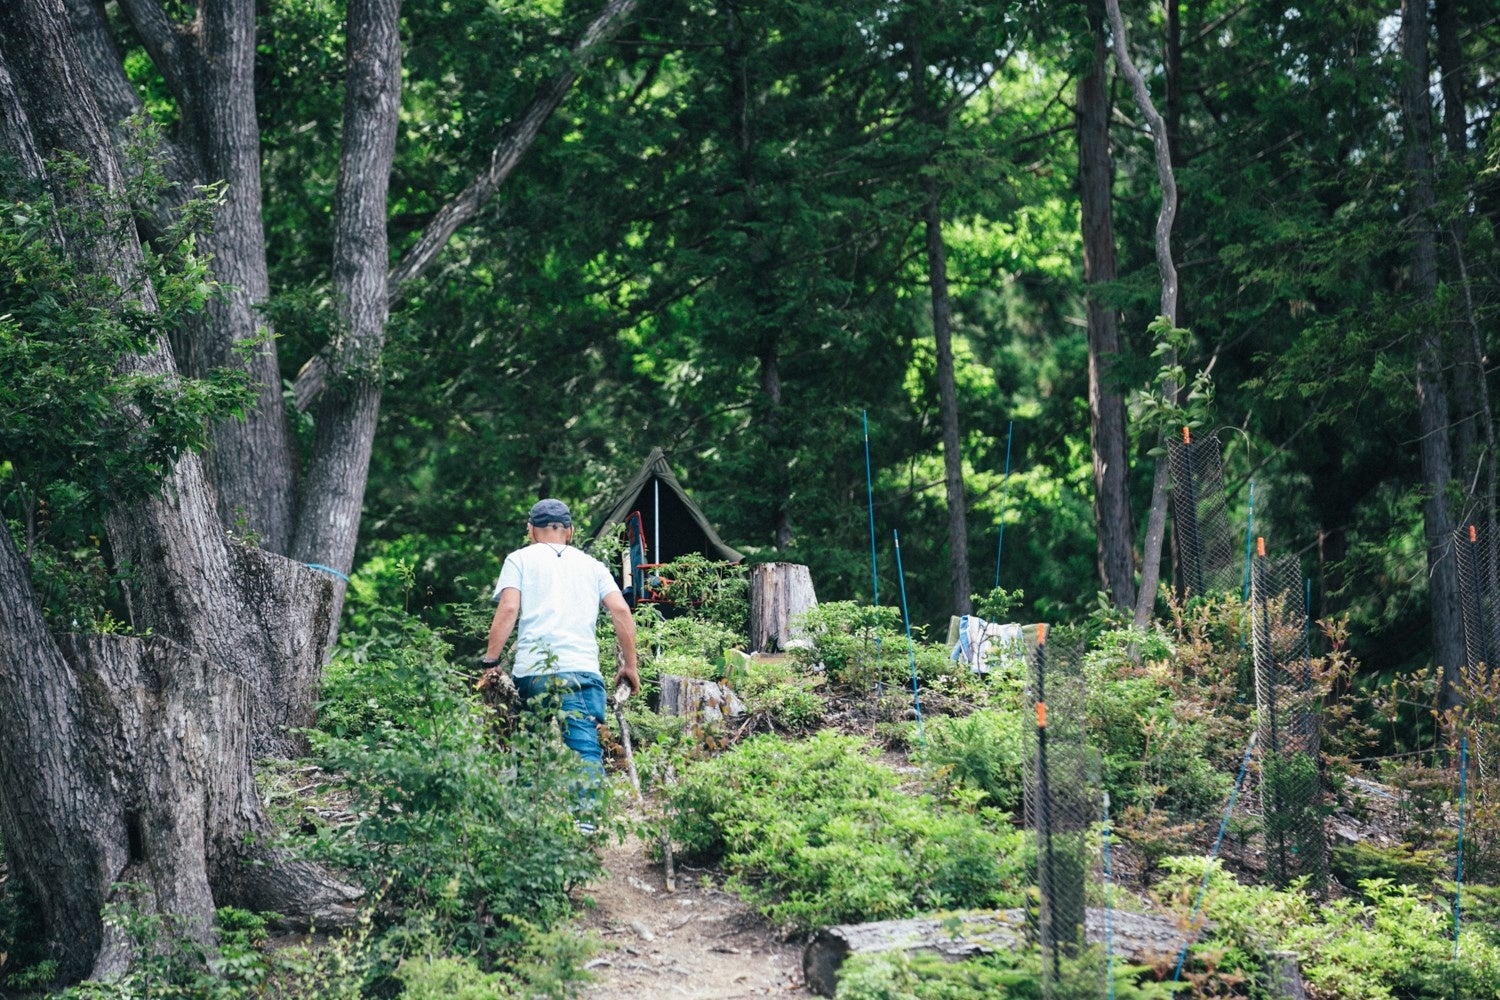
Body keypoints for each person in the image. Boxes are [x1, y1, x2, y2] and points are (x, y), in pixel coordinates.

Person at [480, 498, 640, 818]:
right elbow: (621, 610)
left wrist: (491, 662)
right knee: (585, 749)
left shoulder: (519, 559)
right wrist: (630, 666)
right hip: (581, 672)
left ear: (530, 530)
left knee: (528, 750)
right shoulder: (593, 566)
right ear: (570, 531)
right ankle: (586, 823)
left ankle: (527, 823)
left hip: (532, 672)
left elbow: (509, 608)